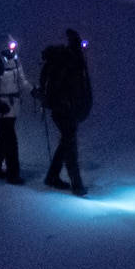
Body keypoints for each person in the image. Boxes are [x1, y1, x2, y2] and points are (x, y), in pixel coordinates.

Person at [39, 29, 92, 196]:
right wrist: (67, 105)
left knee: (66, 143)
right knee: (70, 144)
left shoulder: (74, 60)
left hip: (69, 109)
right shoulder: (65, 61)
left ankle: (52, 176)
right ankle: (76, 184)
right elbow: (59, 88)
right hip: (64, 110)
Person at [0, 37, 30, 184]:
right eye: (9, 47)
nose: (11, 50)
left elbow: (22, 82)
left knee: (3, 139)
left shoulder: (16, 62)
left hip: (13, 107)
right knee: (10, 141)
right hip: (2, 108)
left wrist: (33, 91)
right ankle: (13, 174)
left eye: (13, 47)